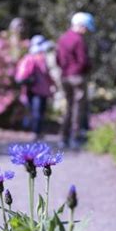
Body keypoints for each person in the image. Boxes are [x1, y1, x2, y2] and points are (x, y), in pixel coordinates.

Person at [56, 12, 95, 149]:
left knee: (68, 107)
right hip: (77, 77)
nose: (86, 31)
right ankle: (75, 138)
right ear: (80, 25)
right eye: (85, 27)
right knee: (79, 108)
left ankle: (63, 138)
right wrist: (86, 69)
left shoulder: (62, 38)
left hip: (65, 77)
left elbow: (58, 59)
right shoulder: (78, 40)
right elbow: (83, 61)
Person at [16, 35, 56, 140]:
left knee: (34, 111)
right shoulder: (38, 59)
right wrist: (52, 85)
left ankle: (35, 131)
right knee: (38, 112)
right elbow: (46, 74)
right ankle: (36, 132)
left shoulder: (28, 58)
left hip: (31, 89)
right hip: (38, 90)